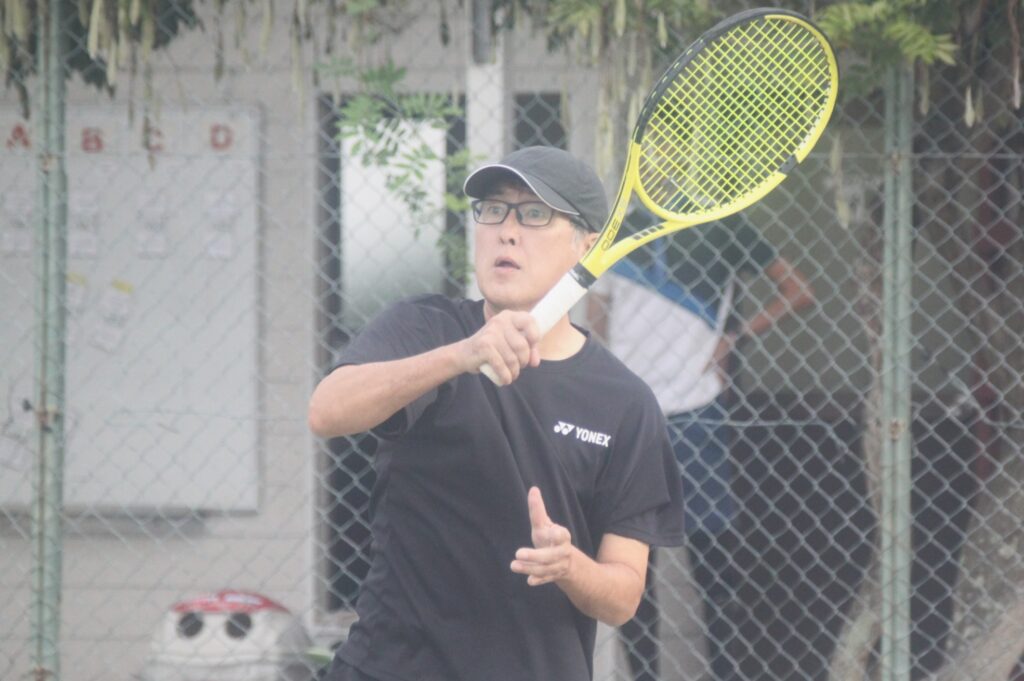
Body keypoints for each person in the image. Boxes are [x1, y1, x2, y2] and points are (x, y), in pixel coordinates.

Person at [308, 146, 687, 681]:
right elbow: (328, 410)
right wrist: (461, 356)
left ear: (587, 245)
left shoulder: (625, 403)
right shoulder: (425, 329)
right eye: (493, 210)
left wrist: (569, 565)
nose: (506, 231)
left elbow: (622, 596)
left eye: (534, 214)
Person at [587, 210, 815, 681]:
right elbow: (598, 316)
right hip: (634, 415)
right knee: (635, 568)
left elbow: (799, 290)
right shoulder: (618, 228)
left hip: (695, 410)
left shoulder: (726, 224)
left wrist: (736, 336)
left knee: (713, 566)